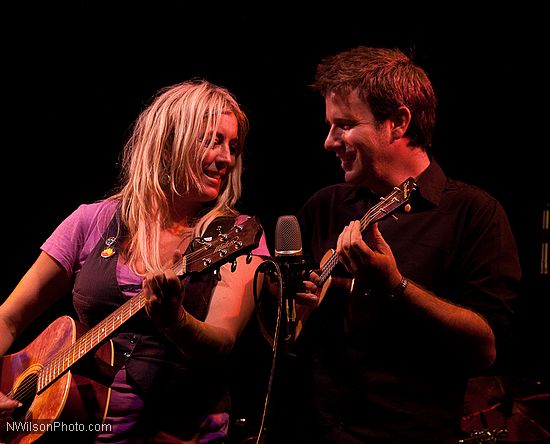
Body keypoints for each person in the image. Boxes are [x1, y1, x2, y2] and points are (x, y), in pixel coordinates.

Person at [269, 47, 521, 444]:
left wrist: (395, 286)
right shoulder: (325, 205)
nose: (328, 142)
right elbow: (283, 334)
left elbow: (485, 348)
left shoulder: (474, 213)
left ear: (397, 122)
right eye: (330, 125)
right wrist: (292, 304)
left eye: (344, 125)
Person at [0, 79, 270, 443]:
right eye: (212, 140)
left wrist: (175, 322)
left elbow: (221, 344)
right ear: (168, 141)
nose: (226, 158)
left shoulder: (234, 235)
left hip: (181, 434)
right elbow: (10, 317)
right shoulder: (91, 221)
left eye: (233, 146)